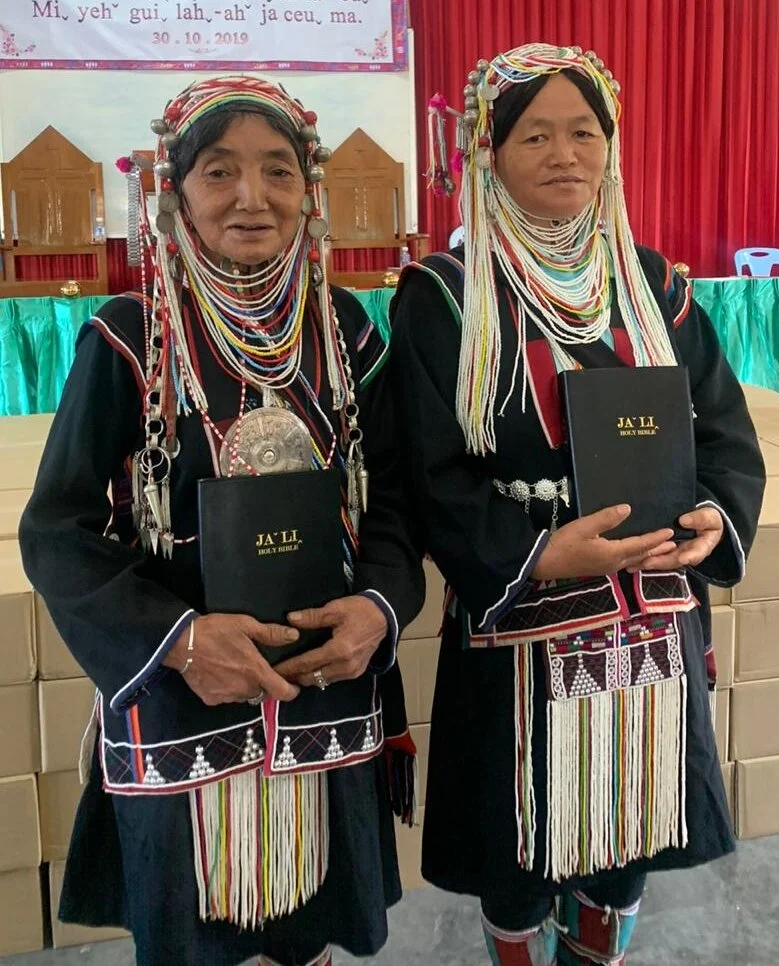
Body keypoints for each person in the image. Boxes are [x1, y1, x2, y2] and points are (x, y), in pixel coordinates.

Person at [19, 75, 424, 966]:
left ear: (308, 192)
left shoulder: (344, 329)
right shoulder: (128, 336)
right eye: (219, 171)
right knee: (194, 941)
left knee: (312, 930)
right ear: (176, 192)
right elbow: (56, 532)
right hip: (182, 709)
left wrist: (379, 609)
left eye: (278, 170)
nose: (252, 196)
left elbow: (393, 499)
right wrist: (179, 642)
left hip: (326, 694)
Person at [390, 44, 765, 966]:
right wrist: (539, 554)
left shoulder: (653, 285)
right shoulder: (445, 296)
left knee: (629, 841)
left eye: (584, 133)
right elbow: (428, 471)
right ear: (490, 153)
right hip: (523, 626)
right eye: (534, 136)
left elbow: (723, 431)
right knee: (519, 848)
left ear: (610, 147)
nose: (564, 154)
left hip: (651, 622)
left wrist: (712, 516)